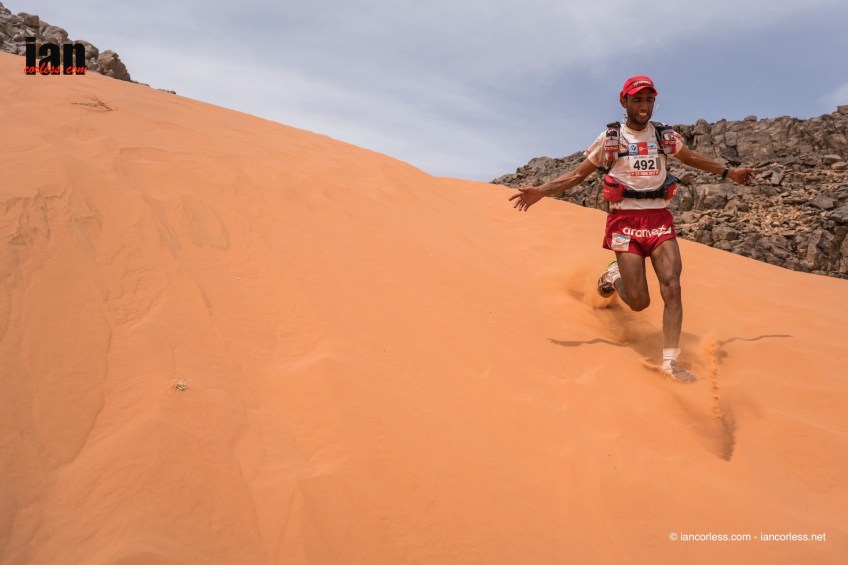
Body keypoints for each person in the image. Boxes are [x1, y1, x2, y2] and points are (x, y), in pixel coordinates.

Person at [508, 75, 755, 383]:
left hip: (659, 220)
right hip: (624, 223)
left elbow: (691, 158)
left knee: (672, 287)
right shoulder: (610, 139)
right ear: (624, 101)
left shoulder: (664, 136)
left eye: (649, 99)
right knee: (639, 303)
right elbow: (577, 175)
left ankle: (670, 363)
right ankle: (613, 276)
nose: (644, 106)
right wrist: (542, 191)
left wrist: (730, 172)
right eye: (637, 100)